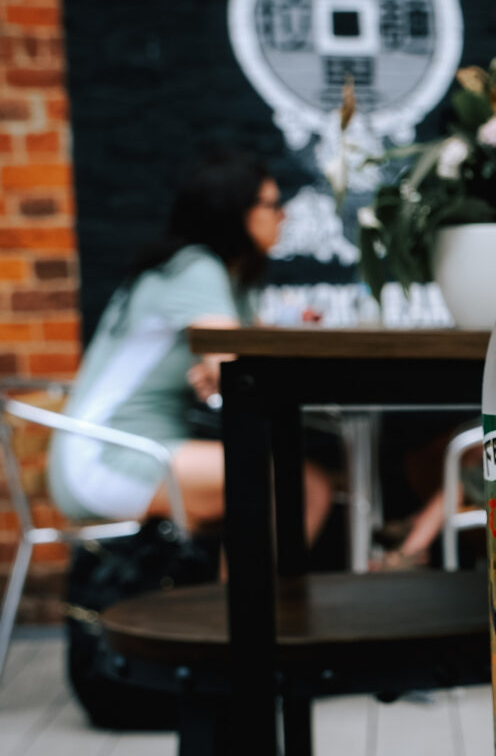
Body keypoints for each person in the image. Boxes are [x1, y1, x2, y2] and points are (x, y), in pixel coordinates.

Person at [48, 152, 332, 541]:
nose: (284, 215)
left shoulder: (232, 280)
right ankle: (251, 604)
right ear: (234, 211)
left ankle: (251, 603)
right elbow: (239, 373)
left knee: (305, 484)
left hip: (150, 447)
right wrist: (225, 369)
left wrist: (225, 368)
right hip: (105, 455)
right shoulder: (196, 269)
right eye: (273, 204)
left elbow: (233, 368)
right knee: (281, 480)